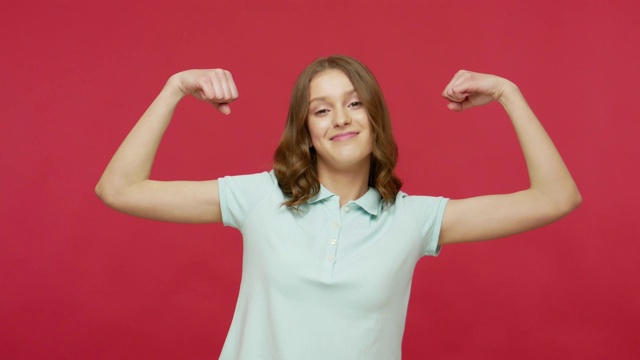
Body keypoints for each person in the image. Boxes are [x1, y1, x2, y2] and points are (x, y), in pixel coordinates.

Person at [96, 55, 581, 359]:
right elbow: (119, 188)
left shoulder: (414, 218)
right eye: (321, 109)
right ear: (304, 131)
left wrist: (507, 94)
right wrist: (175, 89)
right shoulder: (260, 197)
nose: (341, 119)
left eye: (353, 104)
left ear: (374, 117)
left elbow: (556, 198)